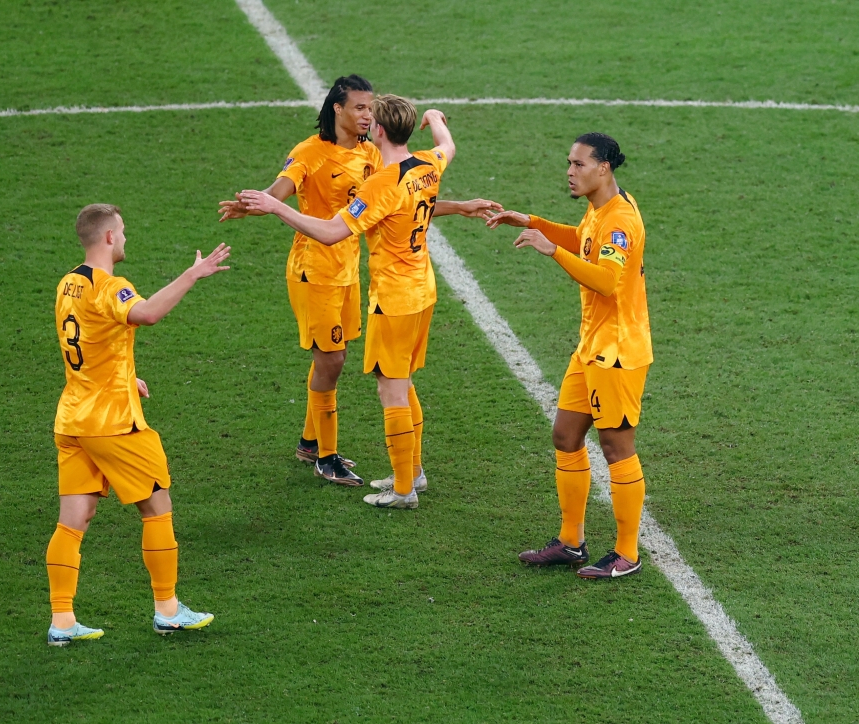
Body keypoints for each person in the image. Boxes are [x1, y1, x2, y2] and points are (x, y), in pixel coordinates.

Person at [220, 78, 499, 489]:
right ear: (337, 108)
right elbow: (280, 190)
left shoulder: (374, 155)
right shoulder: (309, 153)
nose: (367, 115)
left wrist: (458, 207)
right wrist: (260, 203)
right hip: (314, 270)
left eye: (372, 109)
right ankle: (326, 456)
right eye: (360, 108)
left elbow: (399, 205)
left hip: (350, 270)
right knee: (332, 361)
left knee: (334, 358)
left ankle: (309, 441)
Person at [46, 203, 231, 645]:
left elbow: (87, 341)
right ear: (108, 237)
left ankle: (62, 621)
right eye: (123, 231)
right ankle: (168, 610)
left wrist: (127, 374)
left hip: (72, 417)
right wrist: (193, 274)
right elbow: (145, 314)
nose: (126, 238)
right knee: (157, 506)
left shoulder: (68, 283)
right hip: (113, 422)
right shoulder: (112, 287)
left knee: (73, 519)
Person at [486, 133, 652, 579]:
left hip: (617, 352)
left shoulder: (619, 222)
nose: (570, 171)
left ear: (604, 169)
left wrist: (549, 249)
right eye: (569, 163)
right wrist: (532, 222)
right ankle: (571, 542)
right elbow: (582, 239)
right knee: (565, 435)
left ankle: (627, 553)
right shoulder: (599, 210)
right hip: (592, 347)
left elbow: (606, 281)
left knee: (617, 447)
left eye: (579, 164)